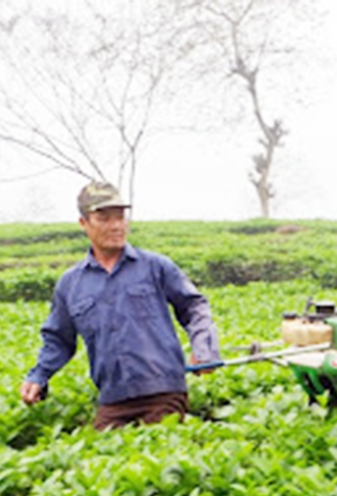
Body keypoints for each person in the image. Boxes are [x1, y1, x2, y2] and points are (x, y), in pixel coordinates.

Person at [20, 180, 221, 429]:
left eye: (120, 217)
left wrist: (204, 348)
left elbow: (194, 307)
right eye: (104, 218)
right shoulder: (71, 284)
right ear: (84, 223)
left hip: (163, 393)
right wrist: (39, 376)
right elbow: (58, 339)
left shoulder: (156, 266)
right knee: (98, 457)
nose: (116, 226)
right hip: (113, 399)